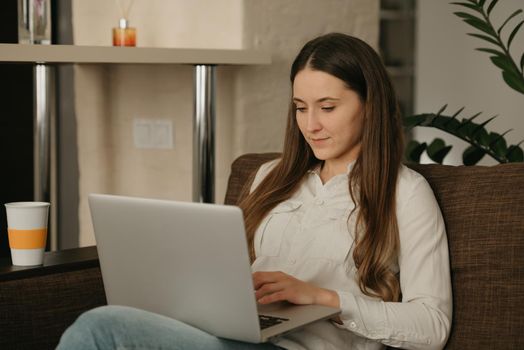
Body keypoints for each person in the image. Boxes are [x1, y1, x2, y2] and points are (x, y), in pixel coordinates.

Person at [57, 33, 452, 350]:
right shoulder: (270, 176)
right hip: (235, 336)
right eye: (300, 107)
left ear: (370, 105)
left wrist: (324, 298)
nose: (310, 124)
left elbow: (433, 326)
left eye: (327, 107)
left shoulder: (405, 192)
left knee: (102, 328)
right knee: (113, 321)